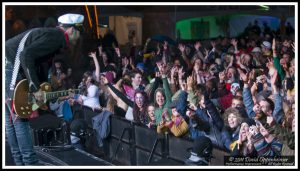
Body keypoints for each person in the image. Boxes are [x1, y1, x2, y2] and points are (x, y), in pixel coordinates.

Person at [5, 13, 84, 165]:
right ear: (72, 30)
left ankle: (20, 162)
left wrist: (42, 88)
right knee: (20, 117)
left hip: (7, 63)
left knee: (10, 119)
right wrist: (35, 89)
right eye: (79, 34)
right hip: (10, 64)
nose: (78, 40)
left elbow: (36, 60)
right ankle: (30, 163)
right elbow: (26, 55)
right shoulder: (57, 37)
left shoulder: (51, 34)